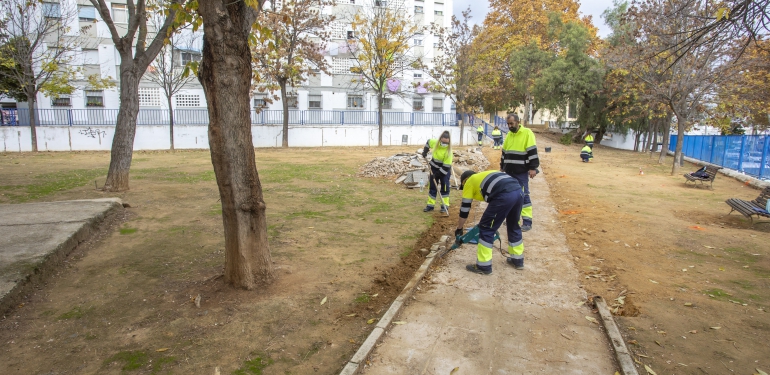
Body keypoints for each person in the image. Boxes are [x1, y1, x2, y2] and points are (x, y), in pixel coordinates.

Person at [456, 170, 525, 274]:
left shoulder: (469, 182)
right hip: (518, 191)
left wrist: (459, 228)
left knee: (486, 228)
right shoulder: (485, 175)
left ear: (464, 181)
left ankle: (484, 266)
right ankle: (518, 260)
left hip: (504, 195)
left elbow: (464, 209)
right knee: (514, 225)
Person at [500, 114, 538, 232]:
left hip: (521, 172)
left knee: (524, 195)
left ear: (518, 122)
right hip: (509, 171)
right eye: (508, 124)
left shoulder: (527, 133)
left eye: (511, 123)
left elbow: (532, 151)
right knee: (510, 196)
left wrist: (533, 168)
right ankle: (512, 219)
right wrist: (502, 166)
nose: (509, 126)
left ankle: (527, 222)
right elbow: (504, 152)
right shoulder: (509, 135)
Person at [422, 130, 453, 213]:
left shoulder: (449, 151)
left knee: (445, 187)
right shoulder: (435, 143)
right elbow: (428, 142)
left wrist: (436, 175)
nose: (444, 144)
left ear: (449, 142)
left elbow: (446, 167)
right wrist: (425, 151)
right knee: (432, 186)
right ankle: (430, 205)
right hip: (434, 168)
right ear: (440, 139)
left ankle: (444, 206)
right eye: (443, 142)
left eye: (446, 143)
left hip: (444, 171)